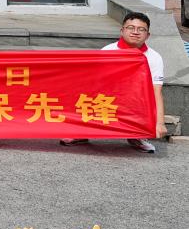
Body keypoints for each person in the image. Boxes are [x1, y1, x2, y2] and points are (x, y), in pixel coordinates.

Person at [63, 12, 167, 153]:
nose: (135, 32)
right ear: (122, 31)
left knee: (146, 100)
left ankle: (137, 136)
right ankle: (82, 132)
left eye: (141, 29)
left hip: (136, 101)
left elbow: (156, 91)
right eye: (131, 28)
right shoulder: (108, 51)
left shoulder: (154, 57)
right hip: (109, 97)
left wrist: (160, 123)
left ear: (147, 35)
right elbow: (96, 84)